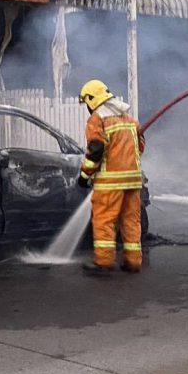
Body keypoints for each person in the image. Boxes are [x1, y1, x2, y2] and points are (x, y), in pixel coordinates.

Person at [77, 79, 144, 276]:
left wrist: (84, 175)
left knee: (104, 220)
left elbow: (96, 150)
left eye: (86, 103)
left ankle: (104, 262)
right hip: (133, 180)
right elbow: (140, 148)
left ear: (91, 99)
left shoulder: (98, 119)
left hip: (110, 182)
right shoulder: (129, 119)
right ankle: (133, 262)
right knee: (131, 220)